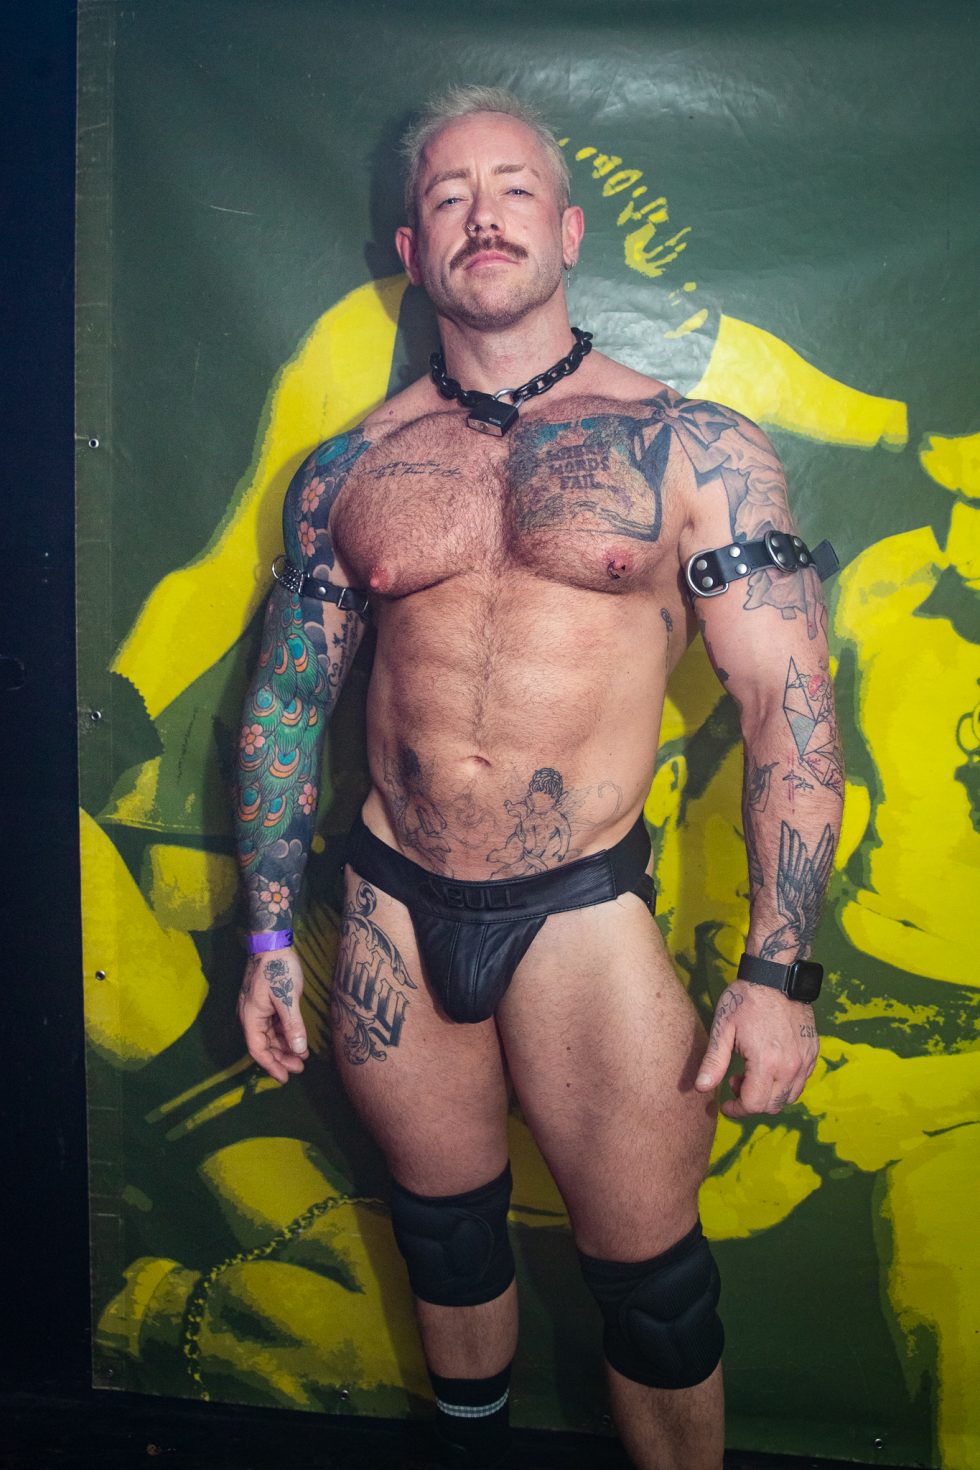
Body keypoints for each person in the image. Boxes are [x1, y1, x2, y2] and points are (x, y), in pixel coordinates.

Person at [235, 84, 843, 1470]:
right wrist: (269, 934)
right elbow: (285, 704)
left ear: (567, 231)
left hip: (581, 917)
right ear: (412, 248)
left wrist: (780, 972)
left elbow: (787, 708)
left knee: (658, 1296)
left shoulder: (695, 447)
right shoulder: (351, 468)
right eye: (449, 195)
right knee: (445, 1245)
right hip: (392, 906)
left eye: (514, 188)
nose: (484, 215)